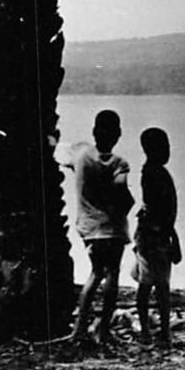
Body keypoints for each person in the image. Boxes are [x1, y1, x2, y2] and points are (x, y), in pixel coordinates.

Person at [62, 110, 134, 346]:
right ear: (118, 134)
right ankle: (103, 330)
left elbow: (62, 155)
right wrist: (127, 203)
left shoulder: (82, 154)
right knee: (112, 275)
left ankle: (80, 328)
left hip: (89, 227)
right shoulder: (118, 163)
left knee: (95, 274)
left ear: (94, 131)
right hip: (111, 228)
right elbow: (121, 189)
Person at [131, 127, 180, 347]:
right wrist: (171, 238)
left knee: (155, 285)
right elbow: (159, 212)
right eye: (164, 146)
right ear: (153, 150)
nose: (168, 150)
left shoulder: (153, 171)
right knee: (154, 285)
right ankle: (156, 332)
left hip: (155, 236)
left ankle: (158, 331)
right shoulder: (153, 174)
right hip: (153, 238)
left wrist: (172, 236)